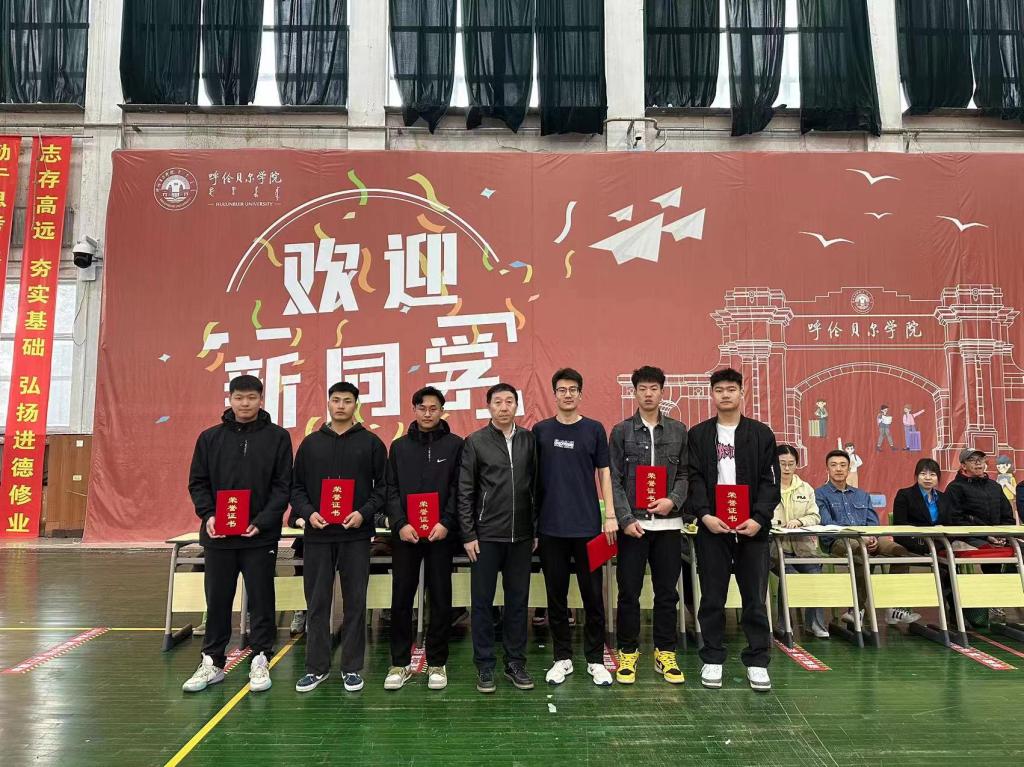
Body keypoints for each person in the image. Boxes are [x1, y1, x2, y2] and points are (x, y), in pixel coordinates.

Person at [182, 375, 293, 694]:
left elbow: (282, 486)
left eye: (251, 397)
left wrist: (262, 521)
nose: (245, 403)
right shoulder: (210, 438)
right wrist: (209, 515)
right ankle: (212, 661)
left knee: (261, 598)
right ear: (230, 399)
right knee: (217, 599)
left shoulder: (278, 437)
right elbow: (198, 482)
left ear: (261, 399)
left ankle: (260, 657)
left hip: (260, 537)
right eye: (239, 398)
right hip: (219, 537)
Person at [290, 382, 387, 694]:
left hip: (355, 535)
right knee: (317, 603)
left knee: (355, 602)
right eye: (336, 400)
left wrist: (363, 513)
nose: (341, 405)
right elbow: (296, 488)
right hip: (317, 536)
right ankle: (316, 668)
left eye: (347, 401)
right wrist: (308, 513)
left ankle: (352, 668)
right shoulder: (310, 444)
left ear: (356, 405)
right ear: (328, 403)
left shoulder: (371, 443)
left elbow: (383, 488)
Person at [687, 367, 779, 692]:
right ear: (712, 395)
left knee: (754, 598)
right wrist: (704, 515)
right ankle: (712, 657)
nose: (725, 395)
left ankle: (757, 661)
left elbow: (770, 481)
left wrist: (759, 518)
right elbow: (694, 479)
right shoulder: (699, 435)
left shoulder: (761, 434)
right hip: (713, 528)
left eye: (731, 389)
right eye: (719, 390)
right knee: (712, 596)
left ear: (742, 393)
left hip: (752, 529)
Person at [534, 368, 615, 687]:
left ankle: (595, 659)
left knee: (593, 596)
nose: (567, 395)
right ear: (554, 394)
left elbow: (605, 473)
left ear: (581, 394)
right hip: (551, 528)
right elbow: (533, 481)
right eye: (562, 390)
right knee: (555, 596)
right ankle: (562, 658)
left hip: (589, 527)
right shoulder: (540, 431)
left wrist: (610, 516)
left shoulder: (594, 429)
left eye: (572, 390)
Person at [609, 365, 689, 685]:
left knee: (667, 593)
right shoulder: (621, 431)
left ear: (662, 392)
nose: (648, 394)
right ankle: (628, 652)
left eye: (654, 388)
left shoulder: (679, 430)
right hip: (634, 527)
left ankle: (665, 652)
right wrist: (625, 519)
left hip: (669, 526)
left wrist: (673, 500)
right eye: (642, 388)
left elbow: (685, 474)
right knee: (628, 592)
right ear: (634, 392)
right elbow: (613, 479)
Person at [458, 383, 538, 694]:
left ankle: (515, 662)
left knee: (518, 603)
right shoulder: (475, 442)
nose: (504, 407)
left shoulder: (529, 440)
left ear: (517, 406)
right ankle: (485, 665)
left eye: (509, 402)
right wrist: (468, 534)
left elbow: (536, 487)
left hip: (522, 537)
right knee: (482, 603)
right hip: (486, 536)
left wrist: (534, 528)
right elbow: (465, 491)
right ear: (489, 406)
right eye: (498, 402)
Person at [383, 386, 463, 692]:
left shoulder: (455, 445)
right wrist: (400, 523)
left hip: (441, 534)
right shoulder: (399, 447)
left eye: (433, 408)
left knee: (441, 599)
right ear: (414, 410)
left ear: (442, 410)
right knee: (401, 598)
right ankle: (399, 663)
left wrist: (446, 522)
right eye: (422, 408)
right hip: (407, 535)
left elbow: (459, 488)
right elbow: (391, 489)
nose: (428, 413)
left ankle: (437, 662)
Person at [815, 450, 920, 626]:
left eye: (843, 465)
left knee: (900, 552)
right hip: (839, 540)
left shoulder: (861, 494)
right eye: (834, 465)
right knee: (859, 551)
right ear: (827, 469)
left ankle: (894, 608)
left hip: (868, 538)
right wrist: (859, 538)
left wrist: (872, 538)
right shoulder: (820, 494)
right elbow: (828, 524)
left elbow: (873, 522)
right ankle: (857, 609)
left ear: (849, 468)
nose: (838, 469)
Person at [771, 444, 827, 639]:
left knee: (815, 574)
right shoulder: (766, 487)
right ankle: (783, 624)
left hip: (803, 548)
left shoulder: (806, 488)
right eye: (782, 463)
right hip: (775, 548)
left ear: (796, 464)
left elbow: (815, 516)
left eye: (791, 463)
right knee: (789, 575)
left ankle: (815, 624)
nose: (787, 468)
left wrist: (800, 521)